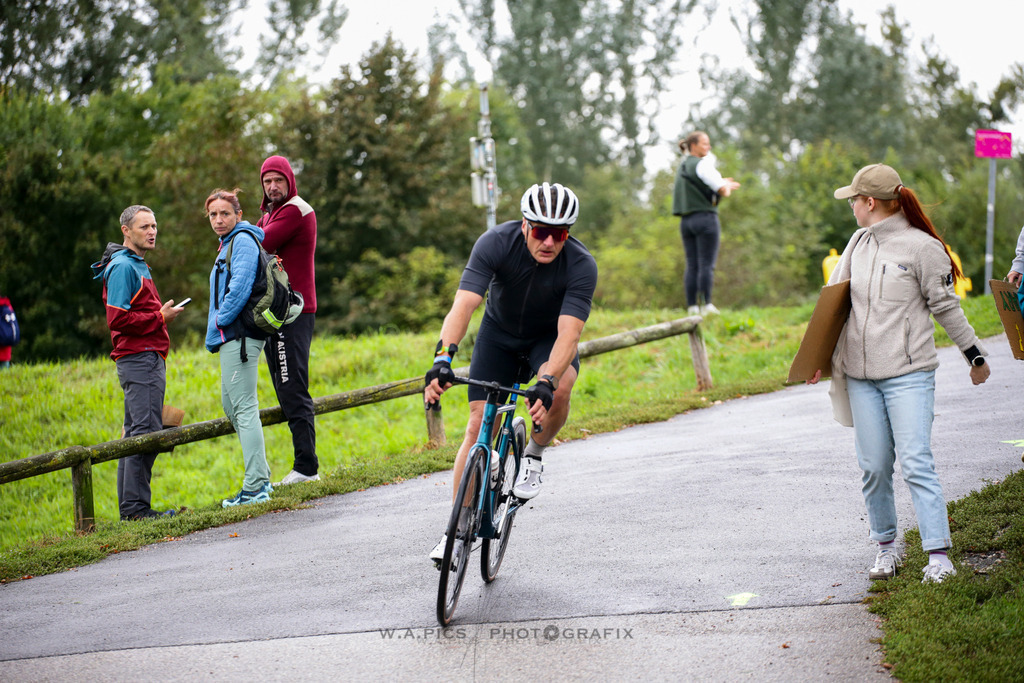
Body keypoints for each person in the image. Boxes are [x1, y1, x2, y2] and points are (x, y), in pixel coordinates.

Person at [809, 163, 991, 584]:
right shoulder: (858, 243)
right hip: (860, 377)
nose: (851, 206)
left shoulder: (922, 248)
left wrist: (975, 356)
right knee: (873, 466)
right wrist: (816, 356)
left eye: (853, 199)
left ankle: (939, 555)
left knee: (915, 462)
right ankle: (886, 548)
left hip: (909, 374)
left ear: (870, 202)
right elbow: (832, 306)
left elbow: (947, 307)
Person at [423, 182, 598, 563]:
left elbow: (570, 333)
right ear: (524, 225)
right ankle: (455, 532)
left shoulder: (582, 265)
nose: (549, 242)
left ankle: (534, 452)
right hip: (498, 336)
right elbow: (464, 305)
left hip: (546, 342)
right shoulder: (495, 243)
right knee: (475, 425)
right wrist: (443, 359)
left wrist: (547, 381)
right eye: (541, 231)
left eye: (560, 234)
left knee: (564, 383)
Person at [90, 205, 183, 520]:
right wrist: (160, 317)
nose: (152, 231)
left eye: (154, 225)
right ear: (126, 231)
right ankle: (136, 511)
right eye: (144, 226)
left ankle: (132, 510)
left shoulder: (138, 264)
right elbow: (117, 320)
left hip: (148, 357)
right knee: (146, 433)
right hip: (138, 358)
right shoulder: (123, 267)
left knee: (135, 434)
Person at [204, 188, 274, 508]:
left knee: (244, 408)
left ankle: (256, 486)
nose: (219, 220)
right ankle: (260, 476)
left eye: (225, 214)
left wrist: (220, 324)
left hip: (240, 335)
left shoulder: (243, 240)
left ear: (238, 215)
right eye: (213, 215)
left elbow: (239, 289)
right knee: (232, 406)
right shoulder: (227, 243)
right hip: (231, 337)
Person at [256, 156, 319, 486]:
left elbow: (258, 243)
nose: (272, 186)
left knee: (293, 385)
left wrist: (241, 231)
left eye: (278, 180)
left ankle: (307, 468)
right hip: (276, 312)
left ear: (289, 181)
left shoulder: (296, 209)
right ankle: (304, 465)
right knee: (284, 384)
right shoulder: (269, 213)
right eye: (267, 181)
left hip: (295, 311)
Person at [671, 131, 740, 316]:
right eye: (705, 144)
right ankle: (707, 305)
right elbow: (722, 191)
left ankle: (692, 306)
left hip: (686, 221)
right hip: (705, 219)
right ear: (693, 145)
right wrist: (727, 186)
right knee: (706, 264)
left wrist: (722, 183)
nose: (708, 147)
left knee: (692, 264)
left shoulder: (683, 165)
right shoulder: (703, 164)